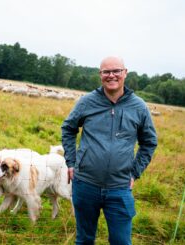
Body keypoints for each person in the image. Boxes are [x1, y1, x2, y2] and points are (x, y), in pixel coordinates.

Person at [61, 56, 157, 245]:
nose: (111, 75)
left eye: (116, 71)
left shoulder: (139, 107)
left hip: (120, 187)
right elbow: (68, 128)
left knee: (121, 241)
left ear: (125, 73)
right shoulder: (87, 102)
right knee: (84, 239)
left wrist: (134, 172)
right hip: (85, 184)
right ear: (100, 74)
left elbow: (149, 142)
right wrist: (71, 162)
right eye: (106, 72)